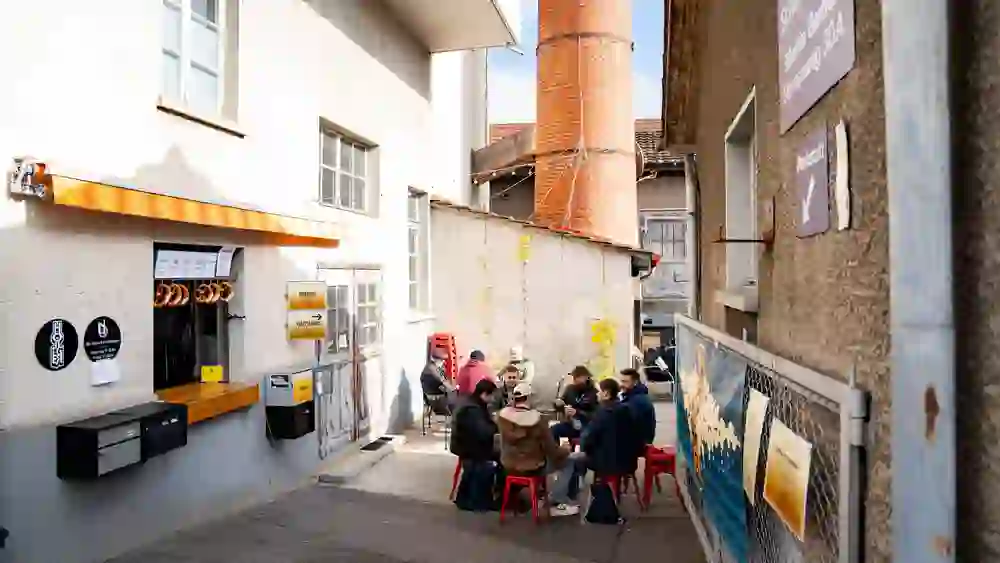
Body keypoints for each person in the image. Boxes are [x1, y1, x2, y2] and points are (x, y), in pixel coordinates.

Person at [498, 383, 580, 516]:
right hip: (532, 468)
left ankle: (546, 498)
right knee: (569, 462)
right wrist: (565, 450)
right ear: (529, 398)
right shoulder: (538, 419)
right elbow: (551, 451)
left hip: (509, 465)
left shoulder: (502, 416)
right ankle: (556, 502)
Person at [451, 379, 502, 511]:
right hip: (470, 448)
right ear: (484, 394)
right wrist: (496, 427)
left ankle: (468, 499)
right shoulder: (473, 410)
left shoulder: (472, 403)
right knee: (502, 459)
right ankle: (482, 500)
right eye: (491, 396)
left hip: (467, 445)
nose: (493, 399)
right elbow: (483, 432)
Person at [580, 378, 641, 478]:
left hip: (607, 463)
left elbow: (588, 438)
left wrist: (583, 449)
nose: (596, 394)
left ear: (606, 394)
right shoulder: (628, 409)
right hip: (629, 462)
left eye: (599, 391)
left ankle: (576, 489)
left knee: (575, 459)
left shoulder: (603, 412)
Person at [551, 365, 599, 441]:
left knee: (586, 436)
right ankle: (557, 451)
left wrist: (577, 412)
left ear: (586, 377)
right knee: (553, 430)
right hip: (571, 424)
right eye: (574, 377)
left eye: (577, 377)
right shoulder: (569, 389)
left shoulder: (594, 393)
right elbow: (560, 405)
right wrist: (559, 405)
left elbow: (596, 415)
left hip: (587, 427)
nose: (574, 380)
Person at [619, 368, 656, 447]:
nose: (621, 385)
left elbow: (628, 424)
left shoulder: (637, 401)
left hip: (636, 446)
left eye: (625, 382)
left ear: (635, 382)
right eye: (621, 381)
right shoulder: (632, 397)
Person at [421, 346, 455, 415]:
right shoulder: (433, 369)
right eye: (442, 360)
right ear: (436, 360)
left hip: (432, 398)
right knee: (457, 398)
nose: (444, 362)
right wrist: (454, 388)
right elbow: (443, 381)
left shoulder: (430, 367)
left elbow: (444, 380)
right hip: (436, 400)